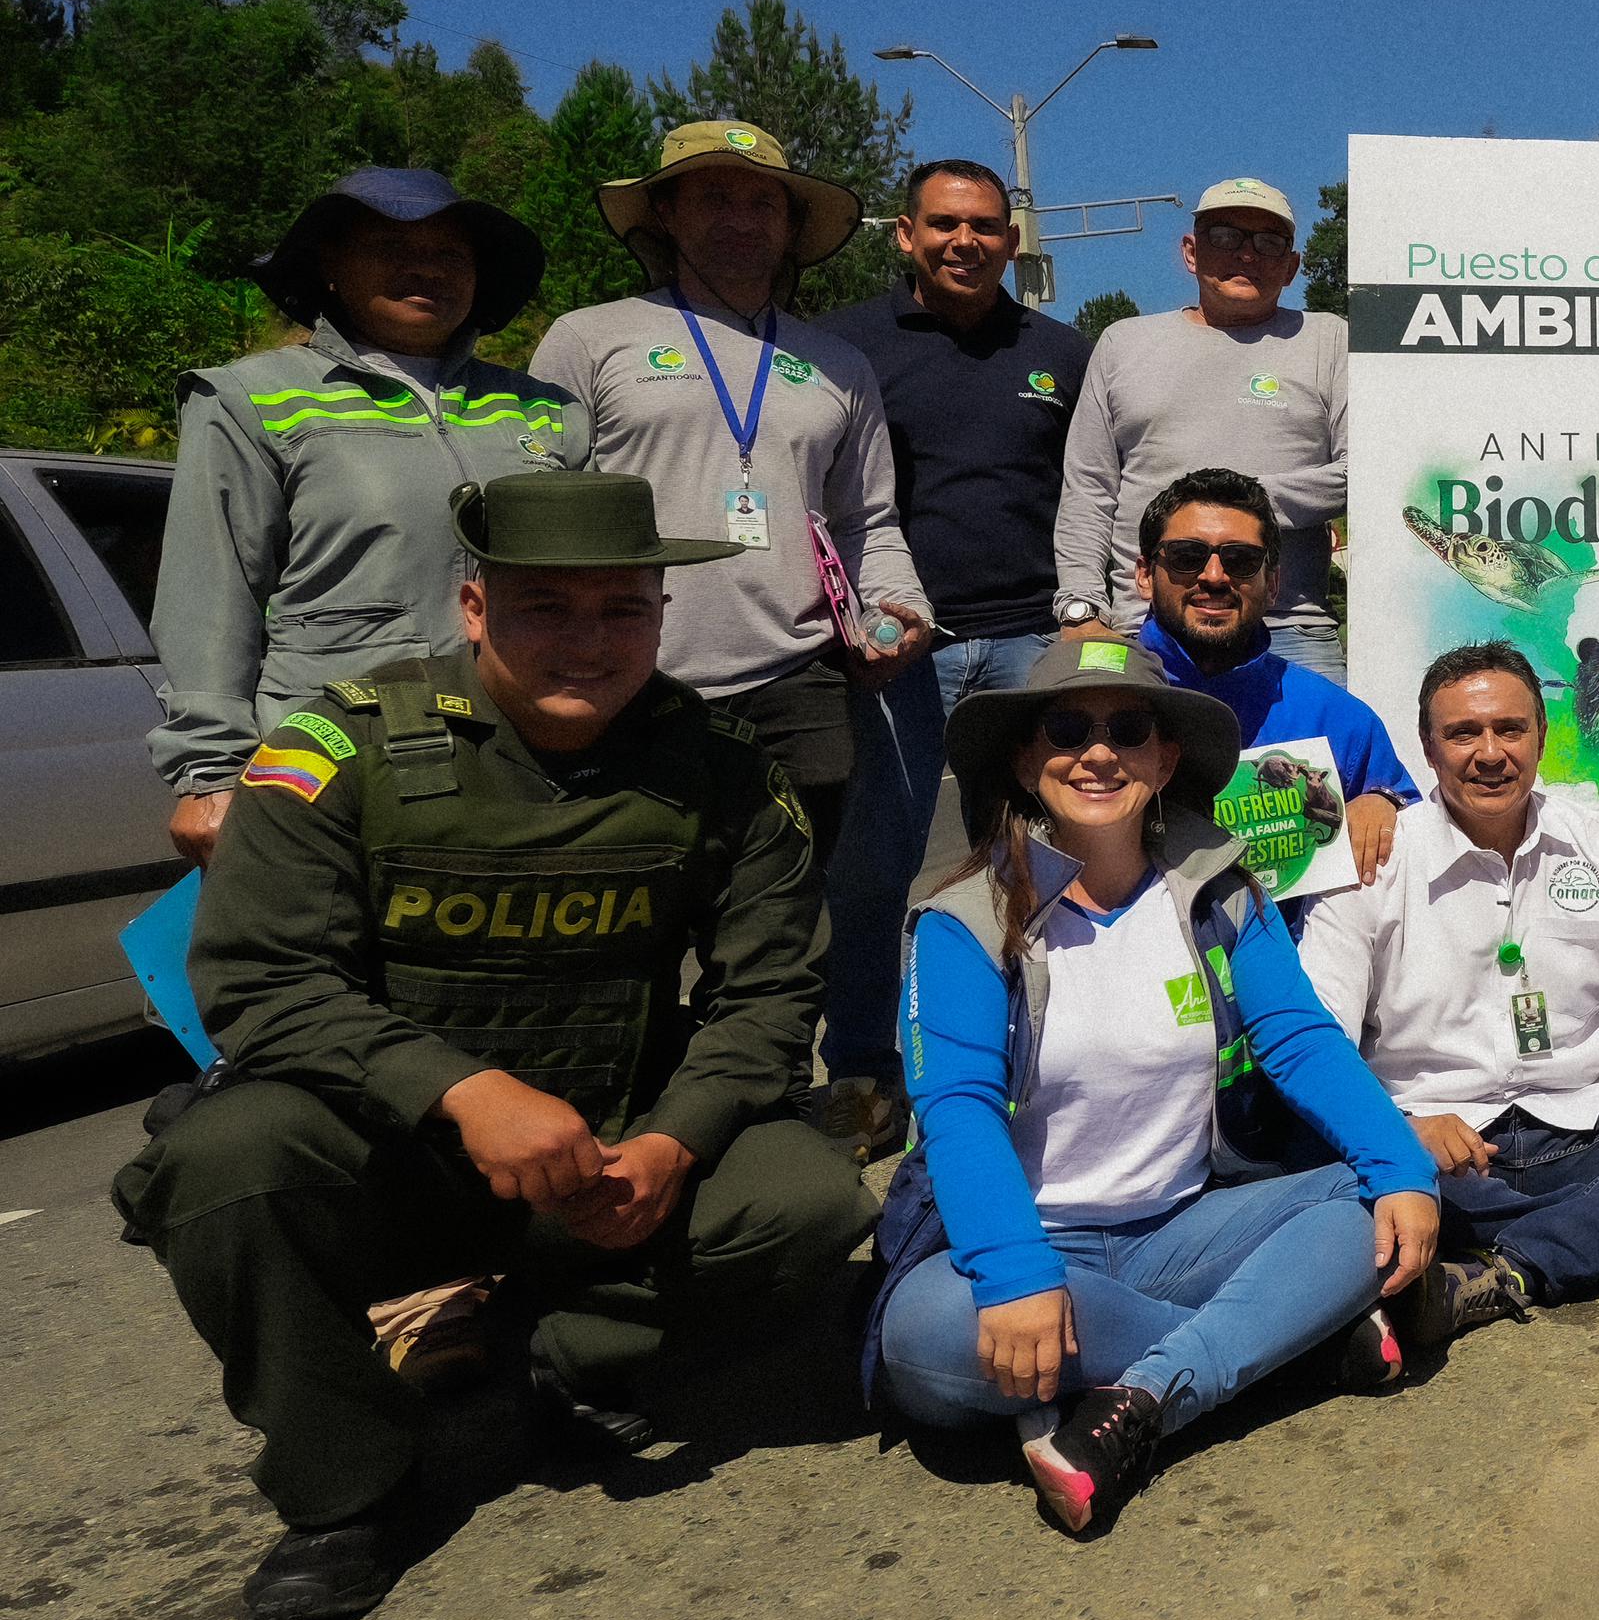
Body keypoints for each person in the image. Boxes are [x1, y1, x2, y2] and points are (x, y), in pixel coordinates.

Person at [113, 472, 872, 1620]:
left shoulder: (717, 762)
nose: (588, 643)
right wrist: (460, 1089)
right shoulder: (336, 751)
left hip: (607, 1152)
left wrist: (674, 1140)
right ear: (474, 608)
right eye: (544, 609)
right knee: (224, 1161)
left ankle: (542, 1352)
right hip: (393, 1156)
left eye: (623, 609)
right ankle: (345, 1489)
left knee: (808, 1196)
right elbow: (260, 983)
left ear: (661, 614)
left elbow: (766, 991)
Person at [867, 635, 1441, 1539]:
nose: (1099, 753)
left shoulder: (1214, 884)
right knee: (926, 1336)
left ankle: (1142, 1395)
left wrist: (1402, 1165)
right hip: (1030, 1247)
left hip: (1180, 1227)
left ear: (1164, 758)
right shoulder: (963, 919)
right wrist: (1018, 1276)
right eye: (1066, 728)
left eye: (1129, 729)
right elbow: (957, 1109)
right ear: (1025, 758)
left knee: (1357, 1199)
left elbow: (1296, 1039)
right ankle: (1288, 1337)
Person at [1301, 644, 1599, 1349]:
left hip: (1587, 1126)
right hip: (1446, 1148)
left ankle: (1513, 1269)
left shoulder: (1598, 844)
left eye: (1509, 730)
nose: (1489, 753)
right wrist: (1400, 1125)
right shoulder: (1374, 863)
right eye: (1463, 734)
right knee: (1336, 1157)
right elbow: (1321, 1039)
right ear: (1428, 750)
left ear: (1542, 737)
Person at [529, 120, 932, 907]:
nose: (743, 219)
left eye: (763, 202)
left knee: (783, 922)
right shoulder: (590, 340)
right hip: (626, 679)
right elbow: (536, 510)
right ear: (666, 215)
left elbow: (867, 520)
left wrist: (901, 603)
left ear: (788, 227)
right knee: (627, 915)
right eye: (714, 198)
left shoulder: (838, 365)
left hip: (798, 681)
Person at [148, 166, 572, 864]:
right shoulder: (248, 400)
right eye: (391, 247)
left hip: (522, 755)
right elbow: (209, 595)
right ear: (331, 268)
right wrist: (210, 774)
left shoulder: (547, 410)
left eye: (450, 253)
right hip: (338, 757)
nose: (425, 268)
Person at [811, 158, 1094, 1150]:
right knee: (875, 865)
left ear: (1011, 242)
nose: (964, 240)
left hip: (1030, 640)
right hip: (899, 652)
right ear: (905, 233)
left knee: (1033, 862)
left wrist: (1083, 617)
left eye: (985, 226)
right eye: (943, 224)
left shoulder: (1060, 350)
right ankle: (863, 1071)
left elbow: (1089, 488)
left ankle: (1030, 1060)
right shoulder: (845, 346)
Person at [1053, 177, 1351, 681]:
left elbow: (1364, 470)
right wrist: (1080, 609)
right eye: (1226, 237)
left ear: (1292, 266)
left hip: (1290, 633)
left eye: (1269, 243)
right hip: (1142, 631)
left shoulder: (1329, 339)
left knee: (1305, 764)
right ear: (1191, 251)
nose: (1248, 255)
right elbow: (1088, 491)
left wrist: (1231, 509)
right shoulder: (1122, 344)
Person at [1121, 468, 1417, 919]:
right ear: (1145, 574)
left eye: (1240, 560)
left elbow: (1416, 847)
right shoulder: (1094, 712)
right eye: (1186, 556)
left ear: (1273, 583)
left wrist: (1386, 804)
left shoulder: (1336, 718)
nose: (1214, 576)